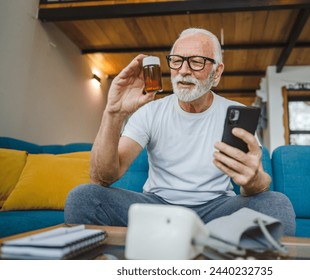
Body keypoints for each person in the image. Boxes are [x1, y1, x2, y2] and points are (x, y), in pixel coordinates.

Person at [65, 28, 296, 235]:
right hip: (157, 207)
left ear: (217, 72)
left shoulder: (235, 114)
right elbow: (102, 177)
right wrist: (113, 112)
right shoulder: (150, 112)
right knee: (84, 197)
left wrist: (255, 180)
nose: (183, 71)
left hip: (217, 208)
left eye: (196, 61)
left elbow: (257, 184)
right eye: (176, 61)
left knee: (276, 204)